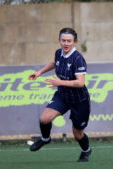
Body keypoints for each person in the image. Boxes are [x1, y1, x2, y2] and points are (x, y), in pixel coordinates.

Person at [28, 28, 92, 162]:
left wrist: (60, 82)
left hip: (79, 100)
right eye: (63, 40)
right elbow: (54, 62)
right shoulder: (59, 53)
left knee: (77, 133)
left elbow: (80, 83)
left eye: (69, 41)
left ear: (75, 42)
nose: (66, 43)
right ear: (59, 41)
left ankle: (86, 150)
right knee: (44, 119)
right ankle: (45, 139)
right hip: (62, 95)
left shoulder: (78, 59)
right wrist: (39, 72)